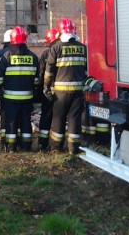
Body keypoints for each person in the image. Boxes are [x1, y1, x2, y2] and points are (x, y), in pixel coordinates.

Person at [44, 18, 88, 154]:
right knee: (74, 118)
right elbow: (87, 70)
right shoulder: (82, 48)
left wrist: (46, 87)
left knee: (58, 118)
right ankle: (73, 148)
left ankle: (56, 147)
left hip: (61, 92)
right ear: (74, 31)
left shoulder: (56, 48)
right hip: (78, 91)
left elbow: (49, 71)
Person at [0, 26, 40, 152]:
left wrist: (0, 89)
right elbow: (36, 80)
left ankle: (11, 147)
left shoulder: (6, 56)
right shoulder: (33, 57)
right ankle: (26, 146)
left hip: (10, 98)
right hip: (27, 97)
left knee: (11, 123)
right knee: (26, 121)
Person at [35, 27, 60, 152]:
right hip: (61, 92)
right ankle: (56, 144)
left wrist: (41, 91)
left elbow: (41, 75)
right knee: (59, 118)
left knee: (46, 117)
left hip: (48, 91)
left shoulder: (45, 54)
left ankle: (42, 144)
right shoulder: (62, 51)